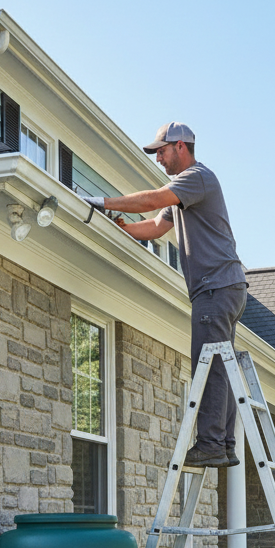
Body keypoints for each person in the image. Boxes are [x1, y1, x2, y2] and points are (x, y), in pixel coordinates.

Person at [81, 122, 247, 468]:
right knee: (221, 362)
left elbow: (153, 198)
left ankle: (212, 443)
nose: (158, 157)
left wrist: (100, 201)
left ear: (181, 146)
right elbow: (157, 226)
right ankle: (225, 444)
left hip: (215, 287)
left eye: (162, 150)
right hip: (224, 286)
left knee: (211, 363)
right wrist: (123, 227)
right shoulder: (186, 193)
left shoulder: (197, 177)